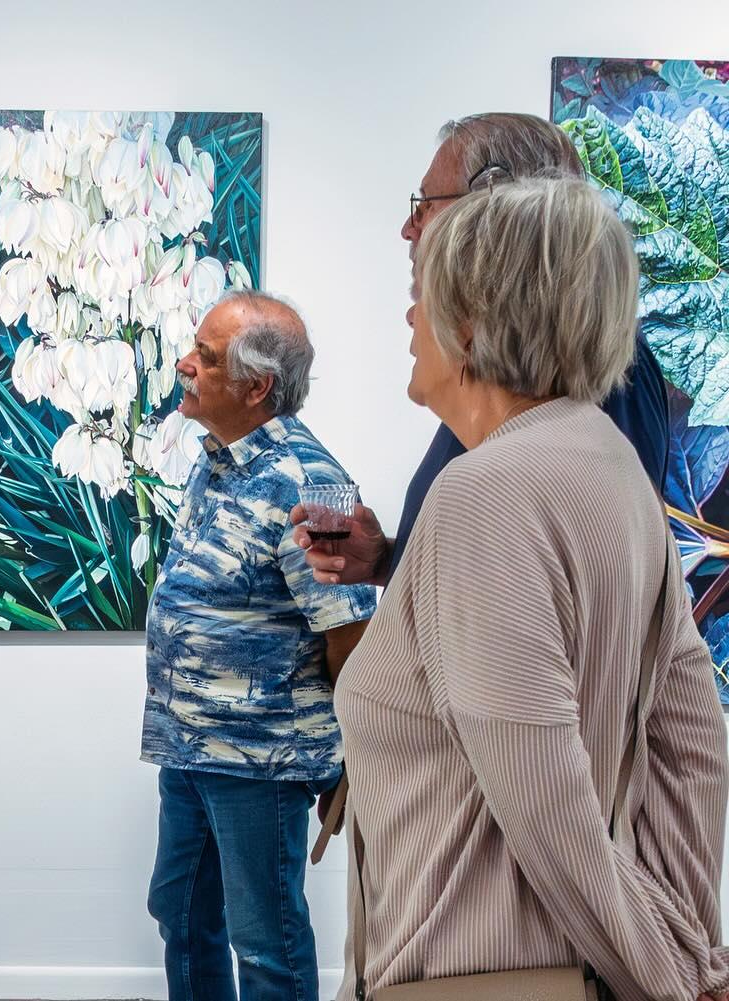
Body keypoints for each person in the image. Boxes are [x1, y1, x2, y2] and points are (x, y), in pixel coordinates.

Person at [332, 176, 729, 1000]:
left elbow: (549, 802)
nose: (411, 318)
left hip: (476, 976)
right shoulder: (607, 462)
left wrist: (670, 978)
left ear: (471, 327)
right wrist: (692, 940)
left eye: (424, 294)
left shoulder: (488, 491)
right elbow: (694, 739)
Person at [294, 112, 668, 589]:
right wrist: (388, 559)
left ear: (496, 203)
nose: (409, 229)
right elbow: (508, 572)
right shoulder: (515, 372)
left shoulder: (602, 367)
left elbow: (603, 588)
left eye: (426, 204)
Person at [142, 290, 377, 1001]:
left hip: (263, 760)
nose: (184, 364)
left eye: (205, 357)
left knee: (265, 941)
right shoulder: (214, 462)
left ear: (257, 386)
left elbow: (352, 633)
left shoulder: (316, 482)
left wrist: (347, 753)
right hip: (189, 746)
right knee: (178, 915)